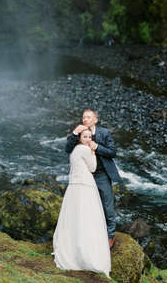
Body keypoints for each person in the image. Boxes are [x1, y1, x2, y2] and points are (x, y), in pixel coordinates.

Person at [53, 128, 111, 278]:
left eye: (90, 137)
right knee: (88, 216)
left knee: (74, 215)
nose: (88, 139)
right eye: (85, 136)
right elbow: (92, 167)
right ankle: (85, 252)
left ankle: (72, 247)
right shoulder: (85, 150)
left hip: (74, 185)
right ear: (79, 138)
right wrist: (93, 152)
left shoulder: (74, 149)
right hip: (85, 185)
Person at [65, 109, 122, 249]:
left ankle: (110, 236)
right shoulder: (78, 132)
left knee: (107, 205)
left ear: (95, 120)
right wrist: (74, 134)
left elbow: (113, 152)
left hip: (102, 174)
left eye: (89, 117)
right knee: (87, 206)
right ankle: (90, 234)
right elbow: (68, 149)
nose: (85, 119)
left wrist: (97, 147)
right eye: (84, 117)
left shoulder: (104, 133)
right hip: (85, 175)